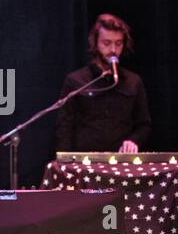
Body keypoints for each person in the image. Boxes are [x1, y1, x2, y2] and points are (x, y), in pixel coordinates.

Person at [55, 13, 151, 153]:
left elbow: (144, 124)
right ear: (95, 43)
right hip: (84, 164)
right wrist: (65, 162)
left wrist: (133, 140)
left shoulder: (133, 81)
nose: (113, 50)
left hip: (120, 163)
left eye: (118, 44)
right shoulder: (76, 81)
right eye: (106, 43)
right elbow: (64, 127)